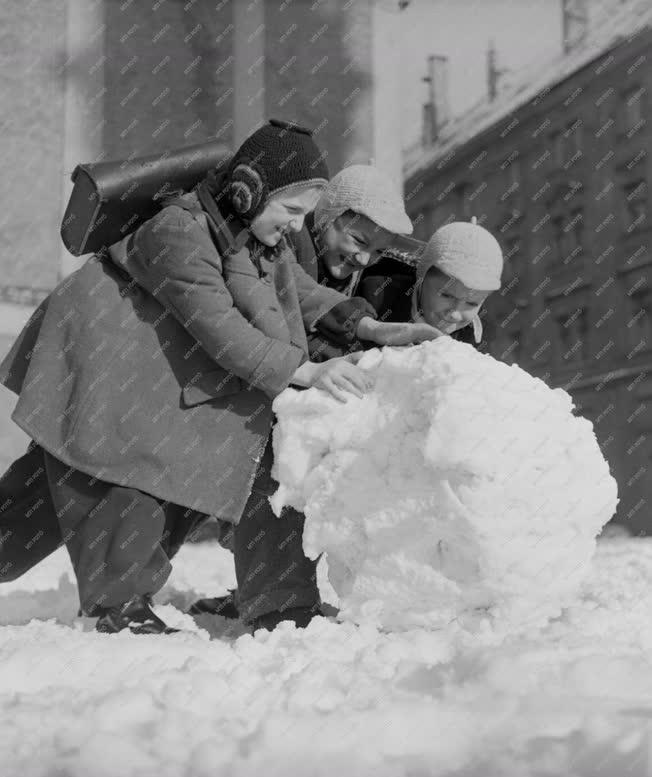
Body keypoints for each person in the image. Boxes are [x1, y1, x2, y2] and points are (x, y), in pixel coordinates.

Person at [0, 119, 440, 635]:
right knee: (120, 475)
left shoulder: (248, 235)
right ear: (250, 190)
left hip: (136, 375)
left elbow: (292, 285)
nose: (298, 227)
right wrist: (304, 370)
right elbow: (219, 327)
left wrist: (365, 324)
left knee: (35, 507)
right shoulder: (178, 231)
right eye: (292, 211)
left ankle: (112, 593)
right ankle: (117, 608)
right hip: (97, 363)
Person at [288, 164, 433, 361]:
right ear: (329, 215)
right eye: (358, 241)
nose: (364, 259)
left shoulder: (380, 277)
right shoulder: (286, 246)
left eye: (379, 251)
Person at [355, 218, 504, 352]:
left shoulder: (478, 334)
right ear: (421, 278)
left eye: (472, 303)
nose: (455, 313)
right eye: (446, 295)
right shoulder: (379, 295)